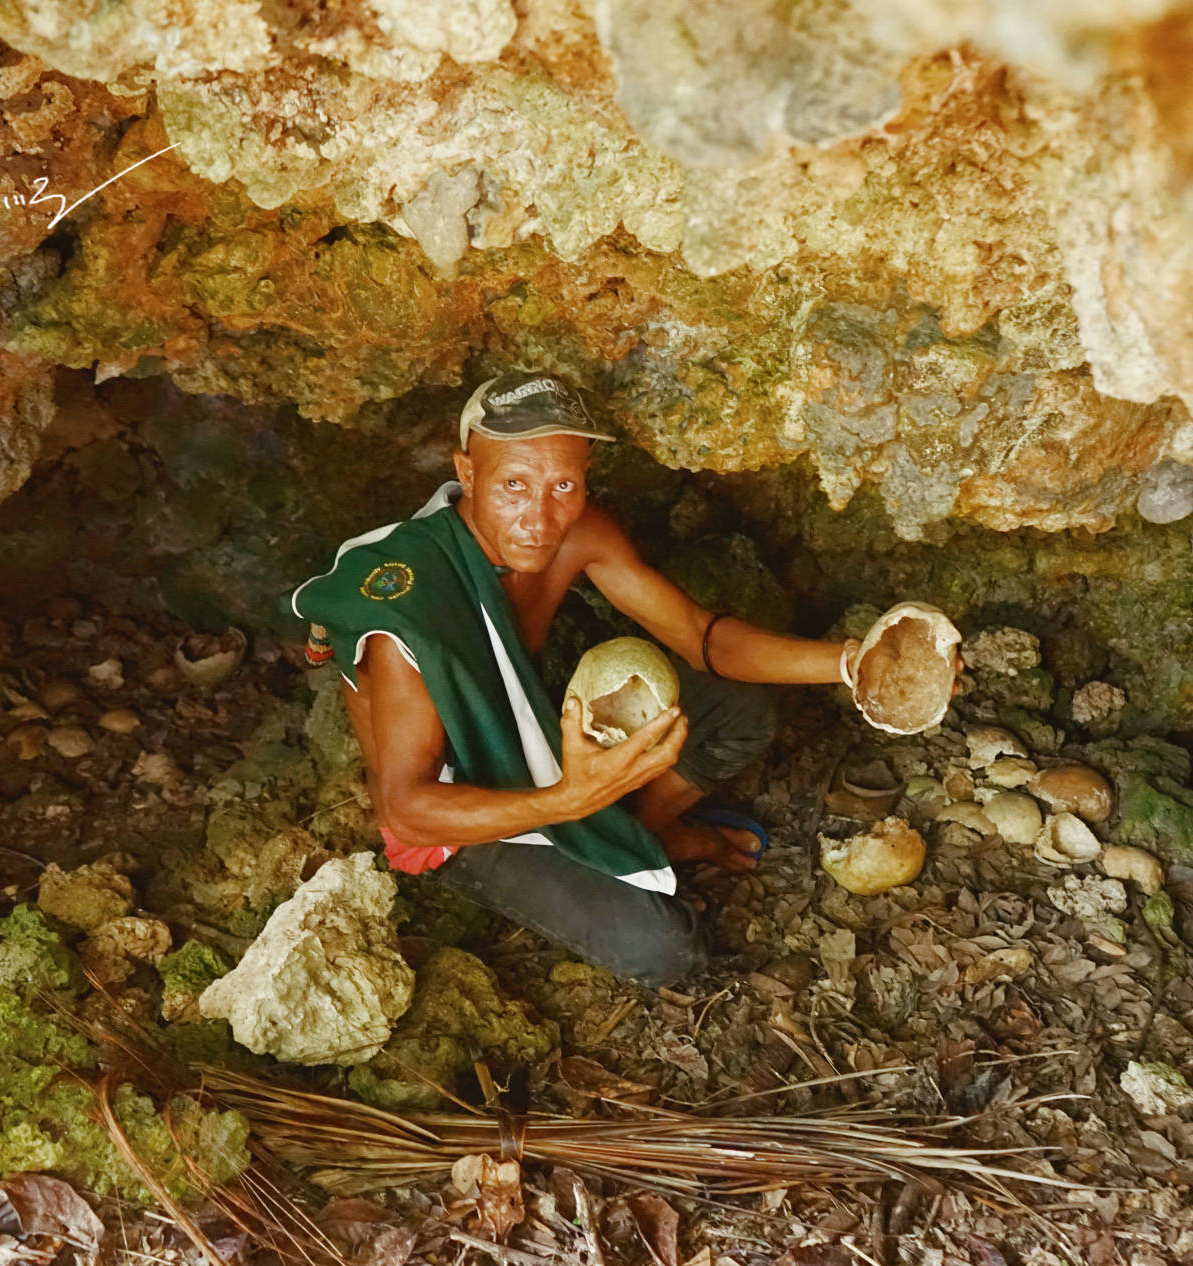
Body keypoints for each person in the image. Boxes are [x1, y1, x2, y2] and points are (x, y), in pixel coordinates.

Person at [290, 372, 938, 986]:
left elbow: (700, 636)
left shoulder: (579, 534)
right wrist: (565, 802)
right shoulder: (413, 602)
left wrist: (853, 663)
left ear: (585, 480)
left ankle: (631, 830)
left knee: (741, 711)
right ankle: (599, 831)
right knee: (665, 950)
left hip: (539, 735)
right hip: (459, 820)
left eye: (563, 486)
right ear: (467, 472)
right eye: (514, 485)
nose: (540, 518)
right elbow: (407, 810)